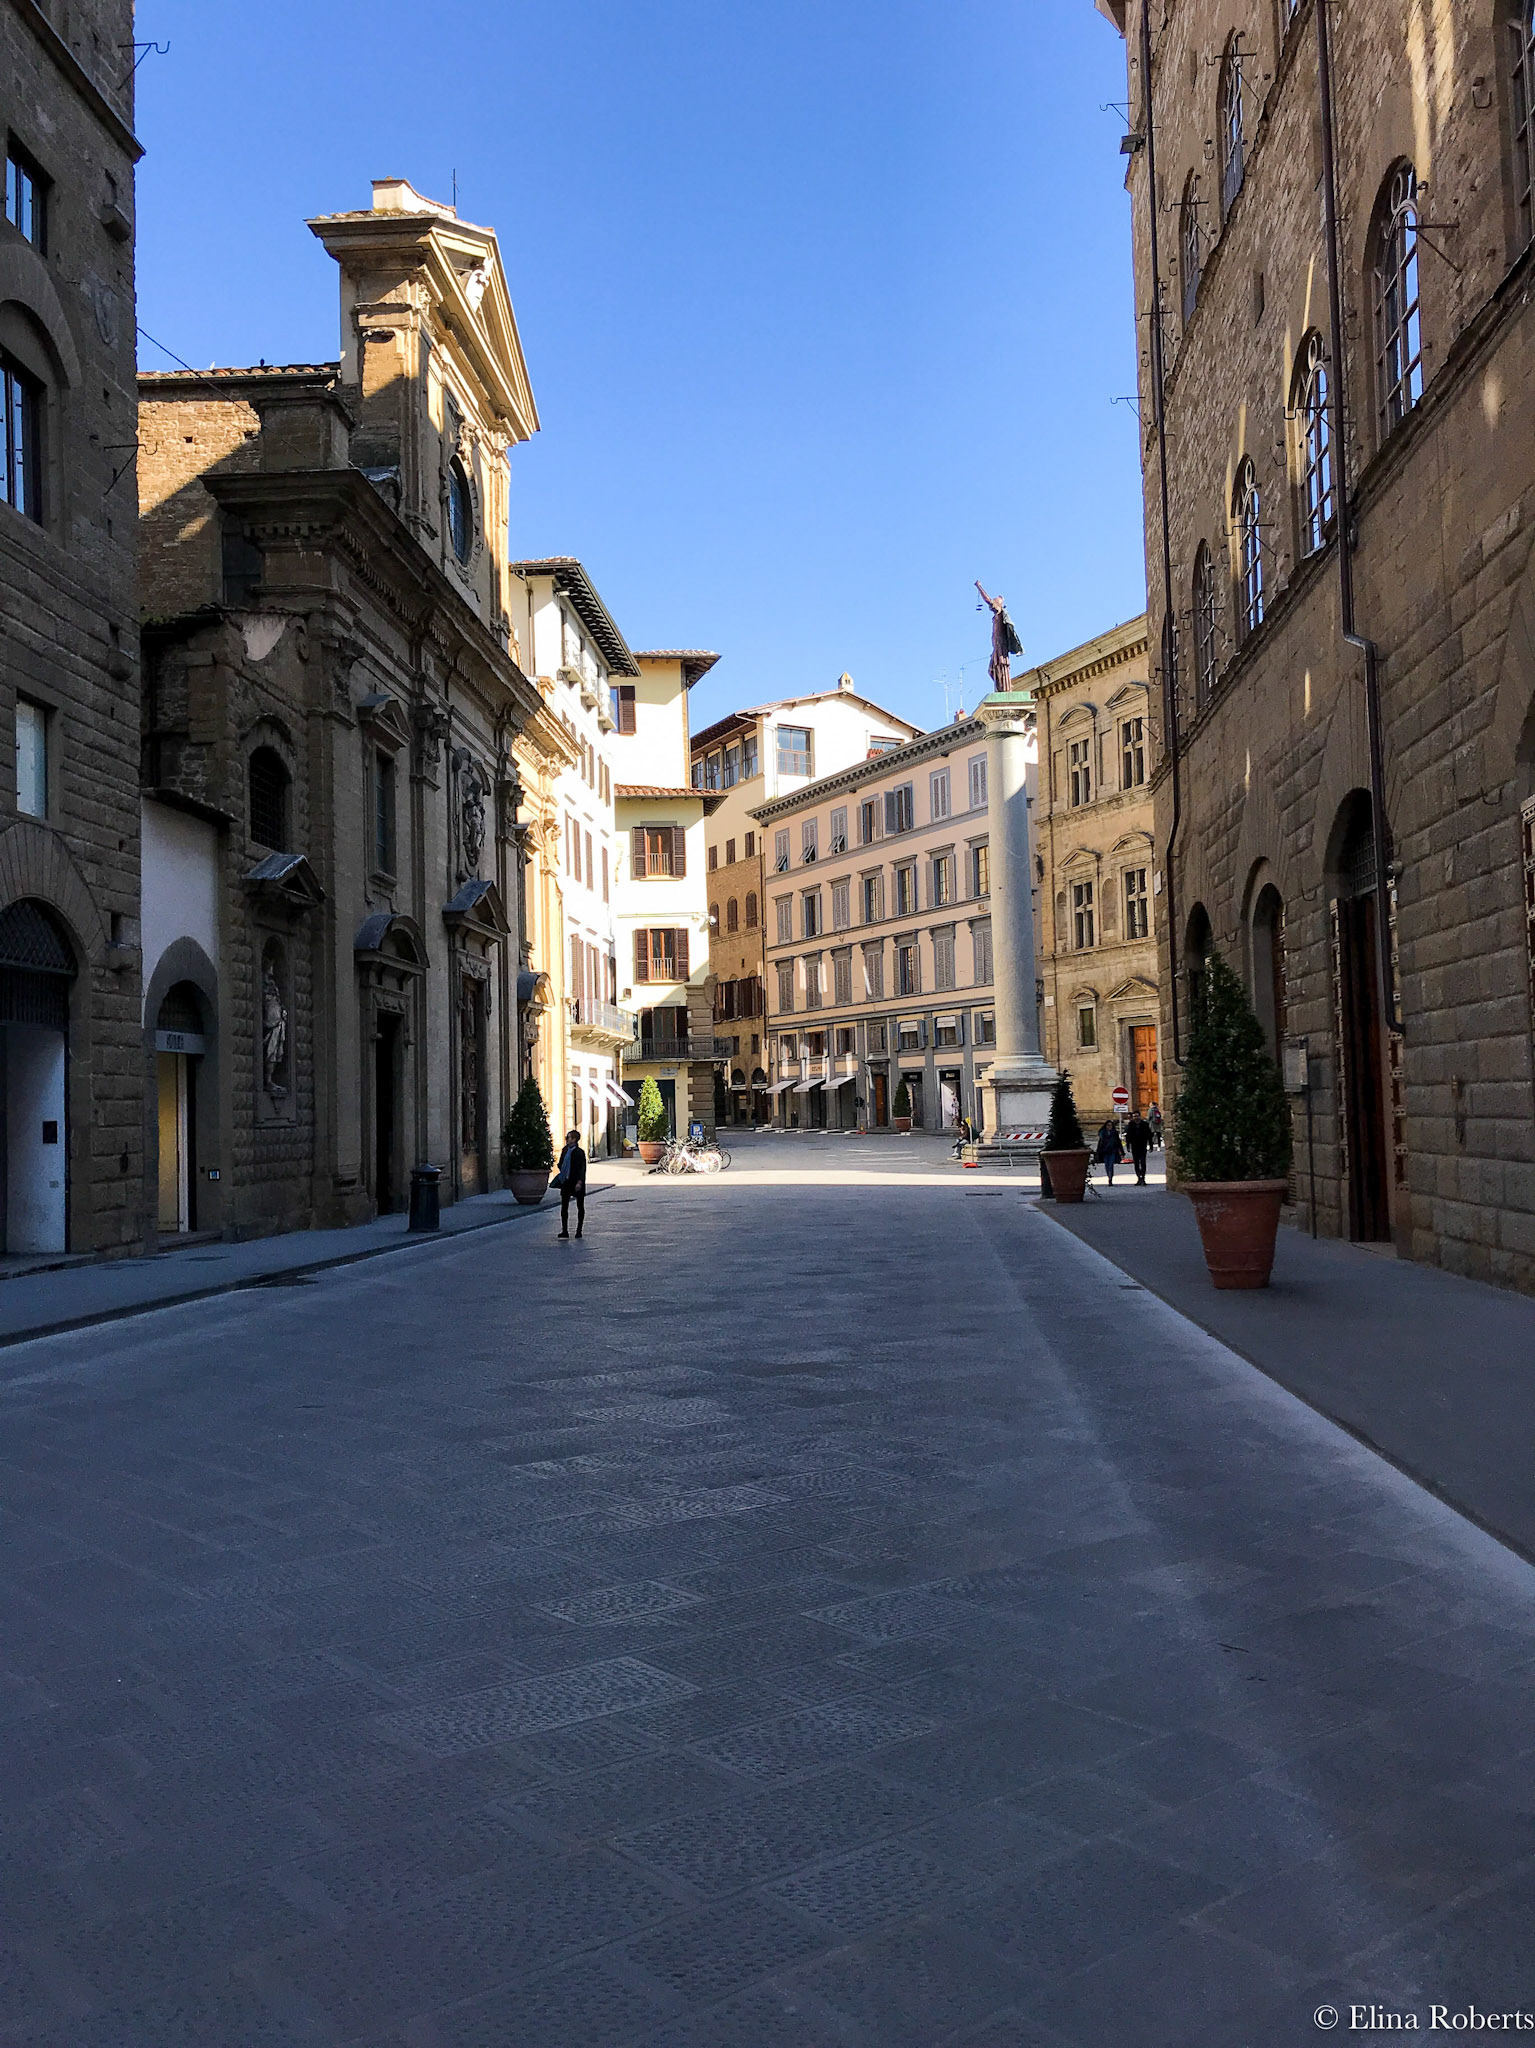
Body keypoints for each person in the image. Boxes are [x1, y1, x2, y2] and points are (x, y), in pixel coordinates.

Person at [555, 1128, 587, 1239]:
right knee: (564, 1207)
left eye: (568, 1138)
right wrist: (563, 1170)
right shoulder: (565, 1150)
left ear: (574, 1139)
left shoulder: (579, 1152)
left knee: (580, 1206)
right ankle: (564, 1230)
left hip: (577, 1182)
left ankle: (579, 1230)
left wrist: (580, 1182)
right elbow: (560, 1163)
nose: (566, 1139)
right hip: (566, 1182)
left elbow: (582, 1168)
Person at [1094, 1119, 1125, 1186]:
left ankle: (1110, 1178)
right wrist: (1098, 1152)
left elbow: (1118, 1143)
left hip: (1112, 1151)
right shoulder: (1102, 1133)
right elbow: (1100, 1143)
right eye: (1108, 1125)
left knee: (1111, 1165)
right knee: (1107, 1165)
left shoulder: (1114, 1133)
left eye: (1110, 1125)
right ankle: (1109, 1175)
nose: (1109, 1127)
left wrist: (1122, 1152)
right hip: (1105, 1151)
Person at [1125, 1112, 1153, 1186]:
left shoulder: (1145, 1124)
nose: (1136, 1118)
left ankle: (1143, 1177)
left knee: (1143, 1162)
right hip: (1134, 1146)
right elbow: (1128, 1136)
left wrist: (1151, 1146)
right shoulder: (1131, 1124)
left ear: (1140, 1116)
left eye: (1137, 1116)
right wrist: (1128, 1146)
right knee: (1136, 1163)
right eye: (1134, 1116)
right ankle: (1138, 1177)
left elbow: (1149, 1135)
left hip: (1143, 1145)